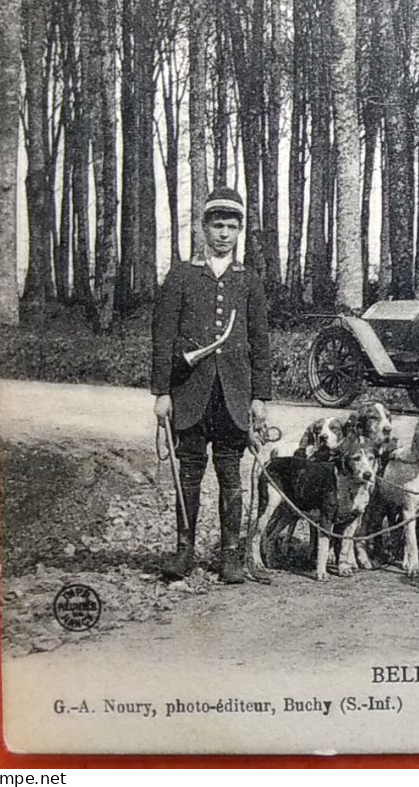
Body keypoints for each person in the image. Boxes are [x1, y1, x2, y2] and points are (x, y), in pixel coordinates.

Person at [151, 187, 274, 583]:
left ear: (240, 232)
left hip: (233, 396)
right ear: (204, 228)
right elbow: (162, 336)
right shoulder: (182, 277)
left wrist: (259, 397)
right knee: (189, 472)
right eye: (217, 225)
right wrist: (162, 393)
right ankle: (183, 553)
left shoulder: (249, 281)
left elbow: (260, 341)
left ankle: (231, 556)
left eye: (231, 226)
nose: (223, 233)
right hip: (189, 393)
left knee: (230, 476)